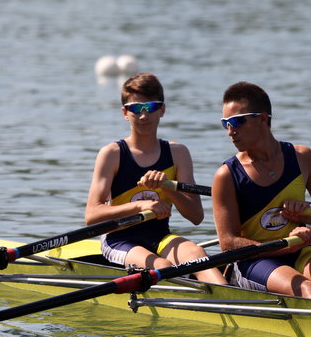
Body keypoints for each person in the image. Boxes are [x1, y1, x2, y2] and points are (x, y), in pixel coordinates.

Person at [212, 81, 311, 306]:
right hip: (255, 262)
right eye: (225, 124)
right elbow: (228, 243)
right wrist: (284, 244)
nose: (231, 131)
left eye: (237, 121)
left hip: (298, 251)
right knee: (306, 288)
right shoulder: (227, 175)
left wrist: (306, 216)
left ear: (262, 118)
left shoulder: (302, 157)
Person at [85, 73, 227, 285]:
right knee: (162, 266)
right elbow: (92, 215)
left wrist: (167, 187)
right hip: (119, 240)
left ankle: (229, 302)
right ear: (125, 112)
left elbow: (196, 217)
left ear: (162, 109)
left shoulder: (178, 153)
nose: (143, 116)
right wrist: (140, 206)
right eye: (135, 109)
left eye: (150, 107)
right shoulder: (112, 154)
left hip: (159, 237)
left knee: (197, 255)